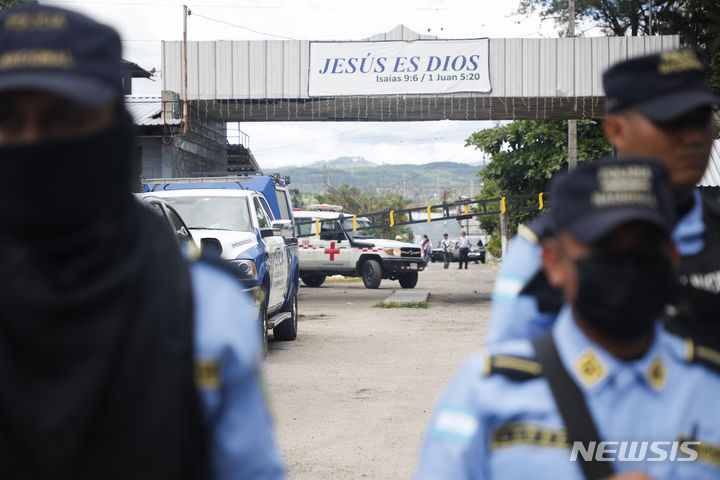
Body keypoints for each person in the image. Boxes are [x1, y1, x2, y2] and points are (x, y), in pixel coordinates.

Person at [0, 5, 285, 479]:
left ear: (113, 128)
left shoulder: (203, 308)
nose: (34, 140)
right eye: (8, 117)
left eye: (63, 116)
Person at [415, 158, 720, 480]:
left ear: (673, 256)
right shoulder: (486, 393)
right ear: (553, 260)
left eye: (645, 245)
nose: (627, 264)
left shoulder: (709, 388)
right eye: (603, 245)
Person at [487, 48, 720, 348]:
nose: (693, 137)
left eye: (701, 119)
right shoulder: (547, 249)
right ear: (616, 131)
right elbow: (511, 372)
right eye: (671, 121)